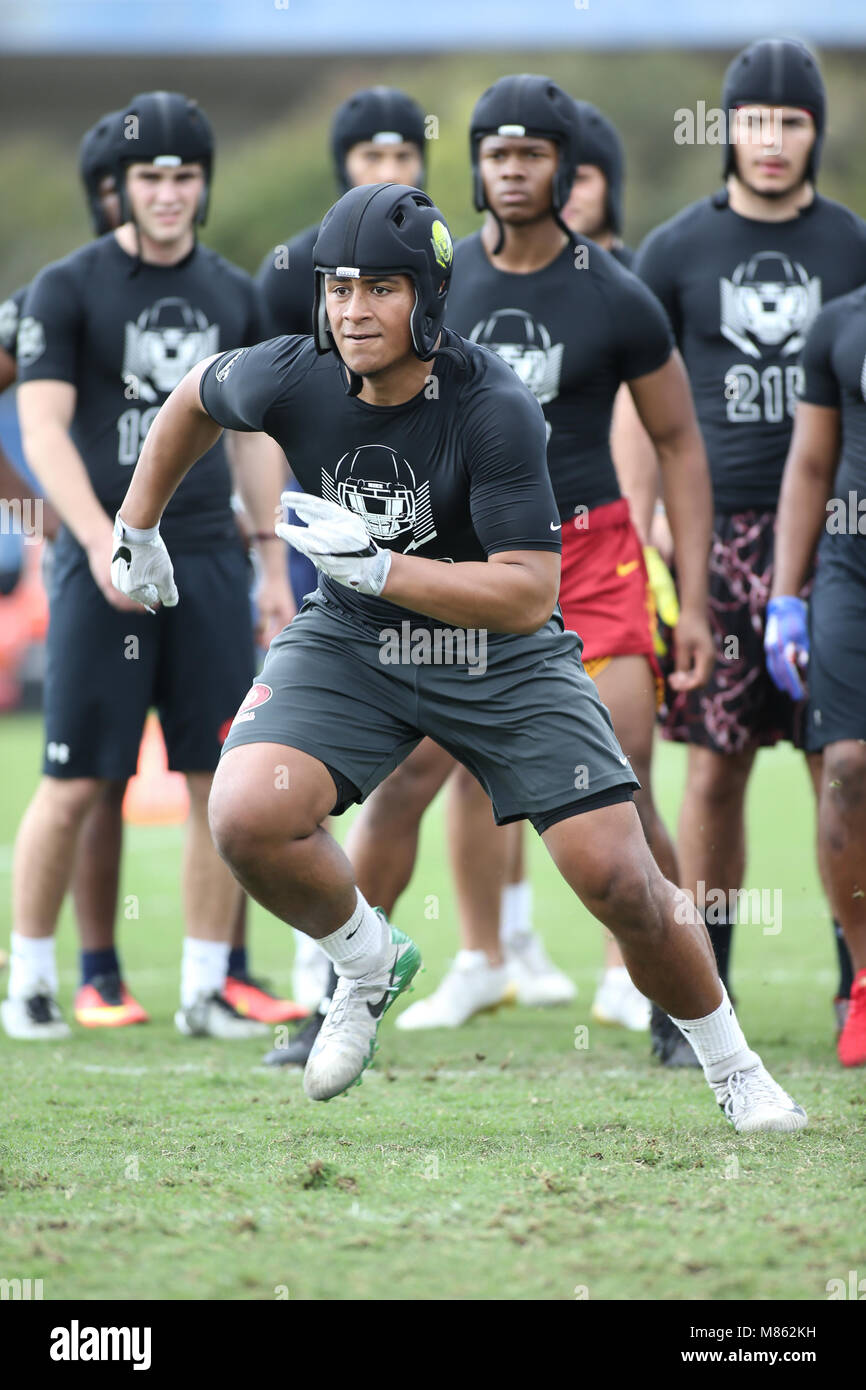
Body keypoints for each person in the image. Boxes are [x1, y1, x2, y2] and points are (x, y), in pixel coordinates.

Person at [112, 180, 806, 1134]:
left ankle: (734, 1067)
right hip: (355, 639)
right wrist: (137, 522)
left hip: (502, 655)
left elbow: (528, 592)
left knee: (619, 877)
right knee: (244, 813)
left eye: (381, 290)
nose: (353, 312)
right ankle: (366, 960)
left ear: (428, 299)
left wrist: (378, 563)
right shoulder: (291, 370)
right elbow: (192, 396)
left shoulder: (495, 405)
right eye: (339, 288)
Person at [345, 77, 713, 1038]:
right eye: (496, 154)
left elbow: (678, 440)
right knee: (421, 772)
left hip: (594, 556)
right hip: (469, 559)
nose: (512, 171)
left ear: (566, 167)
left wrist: (701, 602)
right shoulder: (438, 278)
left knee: (621, 771)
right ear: (475, 165)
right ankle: (387, 983)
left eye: (532, 154)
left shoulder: (616, 293)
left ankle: (666, 995)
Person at [2, 90, 292, 1041]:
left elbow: (251, 441)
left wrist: (272, 564)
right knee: (79, 776)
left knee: (221, 774)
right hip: (101, 557)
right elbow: (41, 427)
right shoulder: (66, 287)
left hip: (208, 558)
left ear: (202, 187)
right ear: (117, 188)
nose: (167, 194)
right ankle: (35, 982)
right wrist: (95, 539)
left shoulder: (234, 292)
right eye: (150, 178)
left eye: (183, 177)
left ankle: (209, 989)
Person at [633, 38, 866, 1061]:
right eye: (754, 120)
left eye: (791, 122)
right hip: (715, 533)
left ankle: (849, 984)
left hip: (838, 533)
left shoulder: (851, 246)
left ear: (817, 132)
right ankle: (699, 994)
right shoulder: (673, 250)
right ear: (725, 127)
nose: (770, 141)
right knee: (715, 769)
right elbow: (636, 408)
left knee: (841, 767)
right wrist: (649, 528)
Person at [255, 84, 428, 1047]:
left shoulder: (448, 286)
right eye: (369, 151)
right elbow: (228, 402)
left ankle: (664, 989)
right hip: (352, 597)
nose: (386, 165)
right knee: (374, 789)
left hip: (480, 583)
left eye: (404, 149)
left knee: (609, 792)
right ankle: (344, 981)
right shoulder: (300, 285)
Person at [767, 287, 866, 1066]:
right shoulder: (841, 322)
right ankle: (864, 984)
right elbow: (809, 462)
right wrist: (784, 600)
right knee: (847, 766)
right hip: (851, 574)